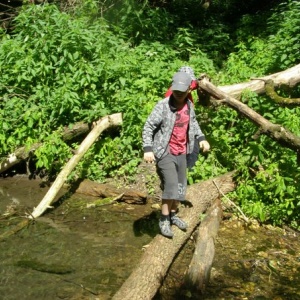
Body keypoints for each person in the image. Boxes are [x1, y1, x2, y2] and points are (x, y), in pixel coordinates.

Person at [142, 71, 210, 238]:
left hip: (183, 151)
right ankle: (164, 219)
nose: (179, 95)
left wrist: (201, 138)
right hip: (165, 151)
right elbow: (148, 126)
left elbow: (193, 123)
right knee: (171, 185)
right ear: (172, 89)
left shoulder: (189, 105)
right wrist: (148, 148)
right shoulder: (163, 106)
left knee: (180, 187)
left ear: (189, 89)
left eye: (182, 92)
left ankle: (173, 215)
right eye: (176, 91)